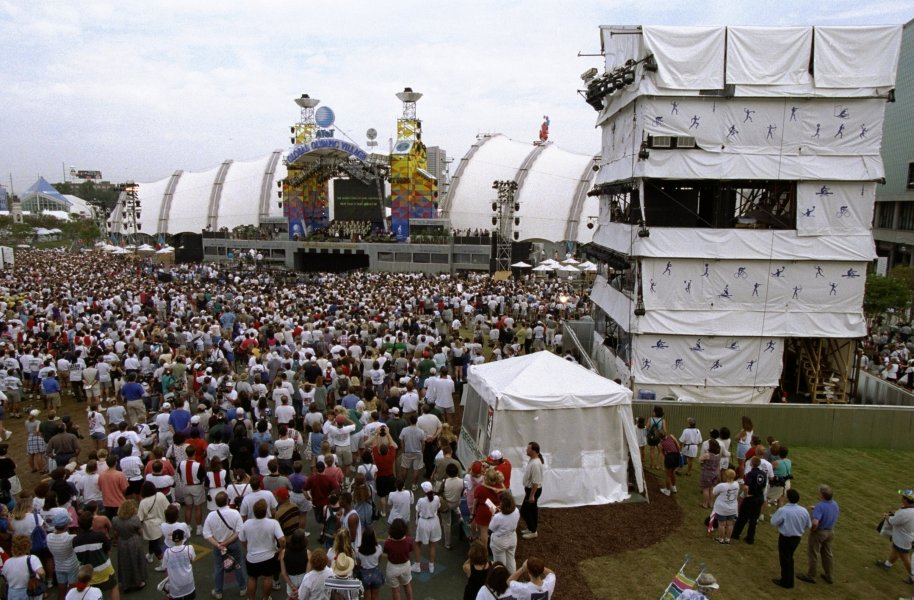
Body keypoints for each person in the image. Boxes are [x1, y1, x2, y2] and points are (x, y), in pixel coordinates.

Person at [203, 491, 247, 600]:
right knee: (238, 565)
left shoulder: (211, 515)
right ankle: (242, 588)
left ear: (216, 503)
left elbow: (207, 534)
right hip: (233, 544)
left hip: (218, 546)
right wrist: (226, 543)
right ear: (227, 500)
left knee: (218, 567)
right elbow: (239, 531)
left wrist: (219, 545)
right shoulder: (235, 513)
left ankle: (218, 591)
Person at [239, 498, 286, 600]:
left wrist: (247, 547)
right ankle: (265, 598)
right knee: (267, 578)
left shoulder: (246, 524)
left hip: (252, 557)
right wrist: (281, 549)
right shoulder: (273, 523)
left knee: (252, 578)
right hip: (269, 557)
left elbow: (242, 539)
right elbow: (282, 539)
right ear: (265, 511)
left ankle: (251, 598)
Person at [73, 510, 120, 600]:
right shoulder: (100, 536)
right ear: (92, 522)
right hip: (103, 569)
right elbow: (108, 550)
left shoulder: (75, 540)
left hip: (87, 573)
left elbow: (78, 556)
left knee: (91, 593)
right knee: (114, 587)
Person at [771, 488, 812, 589]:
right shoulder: (803, 510)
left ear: (788, 498)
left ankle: (786, 581)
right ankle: (788, 579)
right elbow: (808, 524)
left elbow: (774, 522)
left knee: (785, 559)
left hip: (786, 538)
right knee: (789, 558)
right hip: (797, 538)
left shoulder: (784, 510)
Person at [798, 484, 838, 585]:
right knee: (827, 554)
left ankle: (811, 576)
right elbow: (829, 511)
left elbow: (815, 522)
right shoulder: (834, 504)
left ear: (822, 495)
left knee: (813, 553)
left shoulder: (820, 506)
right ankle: (829, 575)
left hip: (819, 532)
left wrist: (812, 529)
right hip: (830, 531)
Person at [112, 499, 147, 592]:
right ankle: (139, 582)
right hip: (134, 542)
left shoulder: (115, 520)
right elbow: (140, 532)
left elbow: (115, 533)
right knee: (136, 561)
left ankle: (125, 584)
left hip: (122, 542)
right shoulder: (135, 519)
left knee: (124, 563)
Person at [877, 489, 914, 577]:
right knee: (895, 550)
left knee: (905, 558)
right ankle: (887, 564)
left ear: (905, 500)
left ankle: (912, 576)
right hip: (907, 537)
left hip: (903, 539)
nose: (901, 498)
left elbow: (893, 521)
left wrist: (887, 516)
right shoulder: (910, 510)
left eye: (903, 497)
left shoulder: (904, 513)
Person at [731, 456, 767, 545]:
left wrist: (746, 495)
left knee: (743, 517)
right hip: (760, 498)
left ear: (751, 464)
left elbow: (746, 486)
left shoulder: (751, 474)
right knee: (754, 519)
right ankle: (750, 538)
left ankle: (735, 534)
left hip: (751, 498)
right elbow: (764, 486)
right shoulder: (763, 474)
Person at [1, 534, 45, 600]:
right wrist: (41, 579)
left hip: (13, 593)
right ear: (28, 546)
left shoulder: (7, 562)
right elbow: (41, 573)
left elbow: (5, 577)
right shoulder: (32, 558)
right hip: (30, 590)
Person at [412, 481, 442, 574]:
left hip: (424, 522)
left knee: (418, 543)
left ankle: (417, 565)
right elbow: (438, 507)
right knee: (432, 545)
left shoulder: (421, 500)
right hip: (434, 522)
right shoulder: (437, 498)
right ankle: (431, 566)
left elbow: (417, 509)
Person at [48, 511, 78, 599]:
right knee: (73, 589)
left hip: (58, 566)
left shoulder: (49, 537)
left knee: (61, 588)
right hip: (72, 565)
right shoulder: (71, 538)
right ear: (66, 525)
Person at [383, 517, 414, 600]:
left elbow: (386, 552)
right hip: (405, 566)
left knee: (395, 590)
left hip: (392, 568)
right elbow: (410, 550)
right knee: (407, 585)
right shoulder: (409, 541)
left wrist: (388, 539)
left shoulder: (388, 543)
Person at [489, 492, 520, 574]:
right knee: (511, 559)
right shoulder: (516, 511)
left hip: (500, 541)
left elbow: (491, 528)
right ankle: (512, 579)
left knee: (500, 564)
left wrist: (492, 514)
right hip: (512, 537)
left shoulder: (498, 517)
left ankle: (501, 582)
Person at [162, 529, 196, 600]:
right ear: (183, 538)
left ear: (173, 539)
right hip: (188, 583)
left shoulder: (167, 552)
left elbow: (165, 568)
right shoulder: (189, 548)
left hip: (175, 585)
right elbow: (192, 560)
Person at [520, 441, 544, 540]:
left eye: (528, 448)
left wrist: (531, 495)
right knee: (532, 510)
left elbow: (536, 482)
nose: (526, 450)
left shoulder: (536, 464)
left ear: (534, 451)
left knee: (525, 511)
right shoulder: (532, 460)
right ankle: (531, 528)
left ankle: (533, 531)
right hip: (530, 490)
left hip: (533, 491)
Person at [711, 469, 739, 544]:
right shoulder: (737, 484)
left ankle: (720, 539)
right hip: (732, 508)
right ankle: (727, 539)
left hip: (722, 508)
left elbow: (713, 493)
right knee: (730, 524)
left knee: (721, 524)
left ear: (725, 476)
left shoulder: (722, 486)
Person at [280, 530, 309, 600]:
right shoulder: (308, 553)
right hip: (303, 579)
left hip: (291, 579)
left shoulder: (284, 552)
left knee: (291, 597)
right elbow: (308, 574)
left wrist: (292, 586)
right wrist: (301, 587)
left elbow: (283, 573)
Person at [356, 527, 385, 600]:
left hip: (364, 575)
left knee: (367, 597)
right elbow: (379, 561)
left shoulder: (358, 550)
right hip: (375, 573)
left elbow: (359, 564)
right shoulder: (378, 548)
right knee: (375, 596)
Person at [698, 439, 721, 509]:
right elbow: (718, 466)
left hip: (706, 473)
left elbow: (700, 459)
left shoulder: (707, 455)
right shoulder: (718, 455)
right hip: (714, 473)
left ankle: (705, 504)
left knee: (705, 489)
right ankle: (711, 503)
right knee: (711, 489)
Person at [659, 430, 681, 496]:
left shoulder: (660, 444)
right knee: (672, 473)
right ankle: (674, 487)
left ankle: (667, 491)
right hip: (676, 455)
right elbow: (678, 446)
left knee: (668, 475)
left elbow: (662, 453)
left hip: (669, 457)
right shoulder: (671, 436)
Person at [646, 406, 666, 470]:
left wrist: (651, 430)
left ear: (656, 412)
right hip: (659, 438)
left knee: (652, 451)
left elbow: (647, 428)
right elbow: (665, 431)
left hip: (651, 437)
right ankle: (658, 465)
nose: (653, 412)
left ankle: (651, 465)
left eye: (653, 411)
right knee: (660, 452)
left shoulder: (650, 419)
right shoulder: (662, 420)